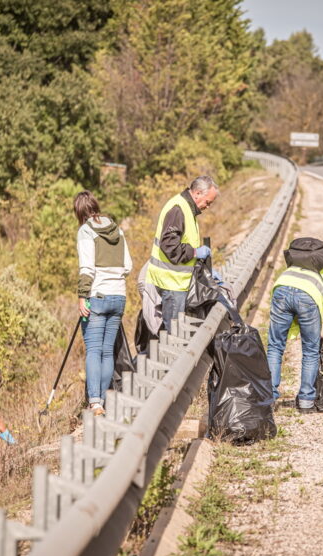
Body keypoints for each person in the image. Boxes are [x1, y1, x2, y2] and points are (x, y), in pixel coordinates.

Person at [74, 190, 132, 417]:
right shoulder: (117, 229)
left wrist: (82, 295)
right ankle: (103, 402)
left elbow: (86, 268)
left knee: (93, 351)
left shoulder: (86, 231)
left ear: (79, 212)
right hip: (118, 296)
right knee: (107, 352)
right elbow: (127, 265)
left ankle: (95, 402)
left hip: (96, 297)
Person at [266, 250, 323, 413]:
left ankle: (268, 398)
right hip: (306, 297)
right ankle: (306, 401)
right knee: (310, 351)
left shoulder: (298, 266)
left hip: (281, 287)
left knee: (275, 347)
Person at [145, 175, 219, 332]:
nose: (208, 207)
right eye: (208, 202)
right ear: (198, 193)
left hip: (177, 283)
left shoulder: (188, 209)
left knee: (176, 333)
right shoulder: (178, 209)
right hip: (171, 283)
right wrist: (195, 252)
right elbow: (170, 246)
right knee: (173, 336)